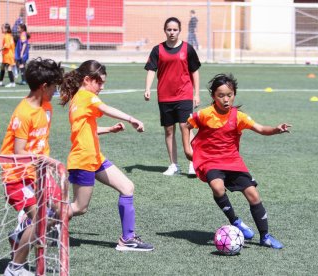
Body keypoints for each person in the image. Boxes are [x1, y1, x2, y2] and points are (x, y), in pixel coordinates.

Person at [183, 73, 291, 249]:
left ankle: (265, 236)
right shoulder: (204, 114)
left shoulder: (239, 116)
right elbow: (186, 126)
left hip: (232, 160)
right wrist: (188, 149)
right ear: (213, 96)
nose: (226, 99)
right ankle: (235, 221)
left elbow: (261, 128)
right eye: (221, 95)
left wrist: (276, 129)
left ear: (234, 94)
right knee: (217, 187)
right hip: (210, 160)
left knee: (253, 195)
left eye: (229, 95)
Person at [60, 60, 154, 252]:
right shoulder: (86, 96)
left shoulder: (78, 97)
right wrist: (131, 118)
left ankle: (127, 239)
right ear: (87, 80)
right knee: (79, 207)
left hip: (95, 157)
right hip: (84, 160)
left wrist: (109, 130)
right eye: (99, 83)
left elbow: (86, 131)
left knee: (127, 187)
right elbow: (106, 109)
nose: (102, 87)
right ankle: (37, 218)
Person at [0, 57, 64, 275]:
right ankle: (15, 268)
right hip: (18, 176)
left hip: (39, 174)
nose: (56, 91)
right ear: (43, 86)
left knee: (64, 211)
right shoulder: (23, 113)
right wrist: (46, 160)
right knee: (39, 219)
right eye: (54, 87)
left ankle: (19, 234)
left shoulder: (46, 106)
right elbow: (19, 152)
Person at [144, 17, 201, 176]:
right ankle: (173, 165)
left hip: (184, 95)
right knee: (169, 131)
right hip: (165, 97)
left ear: (179, 30)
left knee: (186, 127)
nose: (172, 32)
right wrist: (147, 88)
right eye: (169, 29)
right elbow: (151, 69)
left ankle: (192, 163)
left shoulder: (187, 49)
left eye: (175, 29)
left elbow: (195, 71)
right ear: (165, 30)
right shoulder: (158, 49)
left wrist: (196, 93)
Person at [0, 23, 16, 88]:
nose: (1, 29)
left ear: (6, 29)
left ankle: (12, 83)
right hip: (7, 55)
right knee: (2, 67)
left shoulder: (6, 36)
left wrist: (0, 49)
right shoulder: (9, 35)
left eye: (2, 28)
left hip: (8, 55)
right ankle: (0, 82)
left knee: (9, 68)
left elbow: (7, 46)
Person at [12, 7, 25, 78]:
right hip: (16, 38)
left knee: (17, 56)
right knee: (18, 56)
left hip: (15, 37)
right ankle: (17, 71)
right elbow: (19, 30)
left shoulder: (19, 20)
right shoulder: (20, 21)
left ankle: (17, 70)